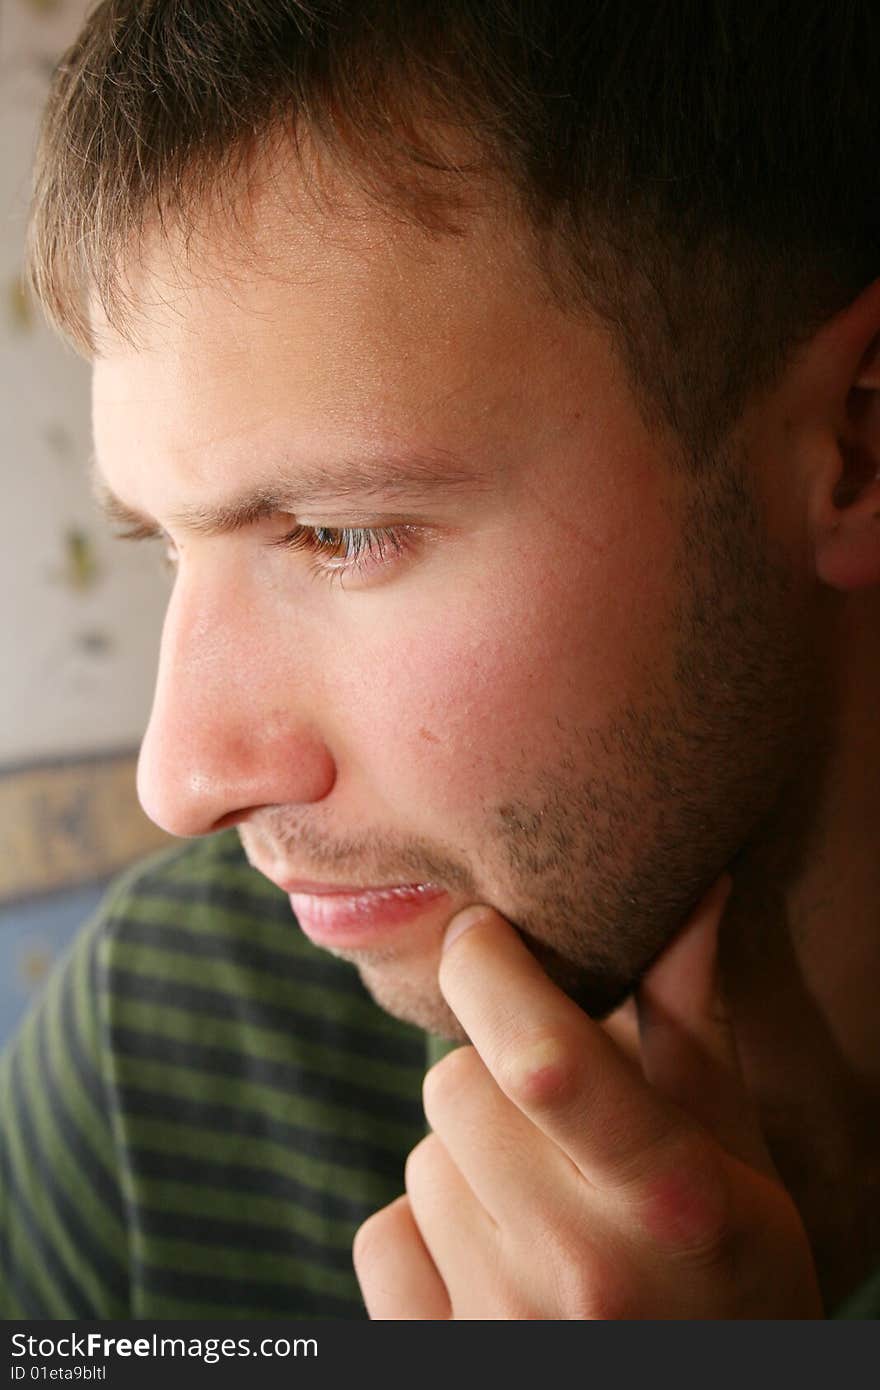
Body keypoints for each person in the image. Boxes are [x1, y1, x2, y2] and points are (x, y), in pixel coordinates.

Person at [2, 0, 879, 1320]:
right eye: (167, 547)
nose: (181, 780)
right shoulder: (154, 1041)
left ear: (856, 450)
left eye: (344, 531)